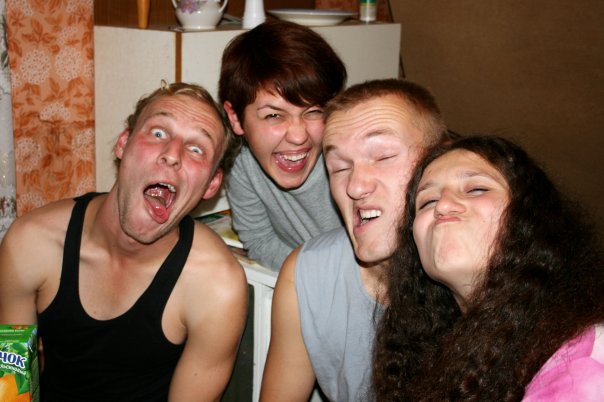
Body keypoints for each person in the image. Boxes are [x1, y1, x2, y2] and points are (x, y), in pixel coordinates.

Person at [0, 82, 249, 401]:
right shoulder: (31, 243)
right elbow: (13, 385)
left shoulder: (216, 285)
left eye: (196, 149)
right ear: (123, 144)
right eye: (158, 132)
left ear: (211, 185)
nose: (172, 155)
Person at [373, 135, 604, 401]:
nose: (443, 205)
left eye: (476, 189)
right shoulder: (433, 359)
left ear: (529, 218)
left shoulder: (586, 358)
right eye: (427, 202)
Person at [260, 79, 448, 402]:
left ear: (441, 162)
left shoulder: (484, 279)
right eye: (339, 167)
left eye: (383, 157)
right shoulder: (308, 275)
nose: (355, 186)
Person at [218, 20, 347, 270]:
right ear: (235, 118)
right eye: (274, 115)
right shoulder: (242, 165)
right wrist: (317, 274)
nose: (298, 136)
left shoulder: (351, 160)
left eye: (314, 111)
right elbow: (260, 240)